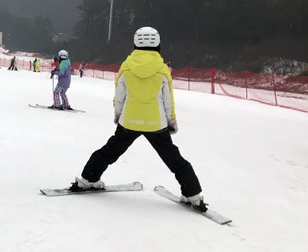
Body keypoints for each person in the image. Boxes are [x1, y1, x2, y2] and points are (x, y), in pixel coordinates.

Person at [73, 27, 208, 212]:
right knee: (173, 158)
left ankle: (88, 179)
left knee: (109, 151)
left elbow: (119, 95)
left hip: (129, 121)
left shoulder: (126, 67)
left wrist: (118, 114)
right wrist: (171, 121)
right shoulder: (162, 69)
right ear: (158, 45)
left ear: (135, 44)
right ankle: (192, 194)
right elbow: (168, 100)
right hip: (156, 123)